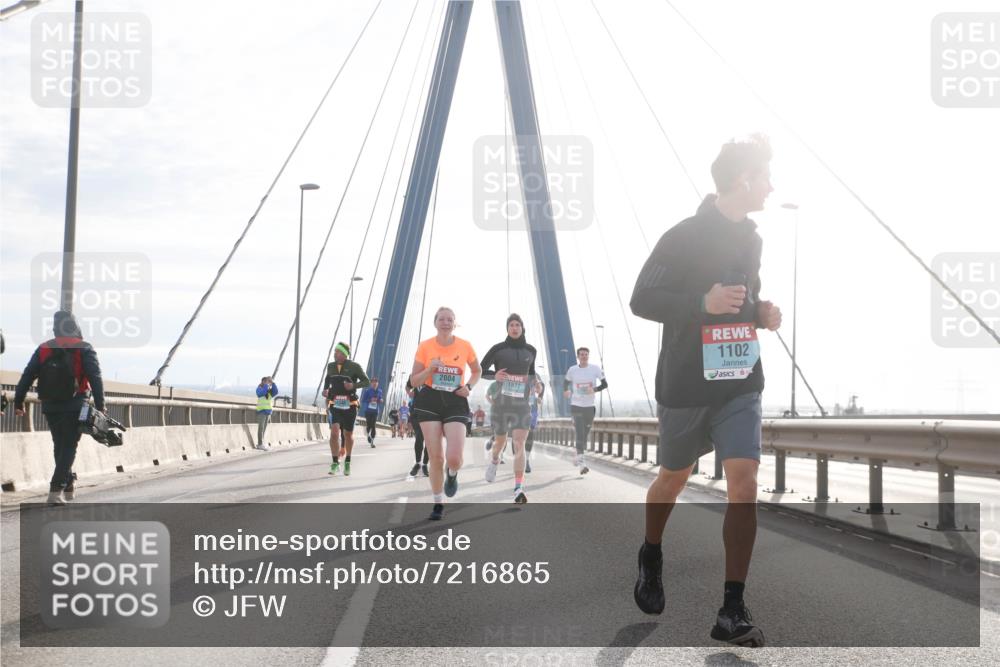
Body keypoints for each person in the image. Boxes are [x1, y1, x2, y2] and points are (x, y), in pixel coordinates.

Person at [628, 134, 780, 647]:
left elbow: (746, 298)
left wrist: (761, 312)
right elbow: (641, 297)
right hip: (686, 382)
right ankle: (651, 551)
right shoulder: (683, 236)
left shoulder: (753, 238)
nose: (771, 186)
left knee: (744, 483)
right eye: (765, 176)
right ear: (742, 180)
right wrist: (702, 301)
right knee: (673, 477)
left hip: (739, 379)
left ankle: (731, 610)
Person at [14, 311, 106, 505]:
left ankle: (69, 483)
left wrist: (19, 401)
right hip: (76, 404)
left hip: (50, 405)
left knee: (60, 445)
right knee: (69, 446)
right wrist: (101, 406)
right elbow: (95, 377)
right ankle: (56, 490)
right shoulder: (84, 347)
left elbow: (28, 375)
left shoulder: (44, 348)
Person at [410, 306, 480, 520]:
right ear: (435, 322)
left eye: (450, 319)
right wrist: (430, 370)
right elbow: (414, 381)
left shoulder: (465, 346)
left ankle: (453, 474)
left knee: (454, 458)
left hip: (455, 400)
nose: (446, 322)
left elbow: (477, 371)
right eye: (441, 319)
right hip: (430, 399)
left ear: (455, 323)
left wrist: (469, 386)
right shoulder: (425, 346)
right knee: (436, 457)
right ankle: (438, 502)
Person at [480, 313, 536, 504]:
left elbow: (532, 374)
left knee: (519, 444)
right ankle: (495, 460)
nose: (514, 328)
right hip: (501, 405)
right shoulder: (498, 349)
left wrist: (537, 384)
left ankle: (518, 487)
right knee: (500, 442)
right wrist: (494, 376)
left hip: (521, 405)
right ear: (507, 329)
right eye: (511, 325)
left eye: (517, 325)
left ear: (522, 328)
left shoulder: (531, 351)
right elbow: (481, 370)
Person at [322, 342, 370, 476]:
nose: (335, 353)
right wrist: (325, 390)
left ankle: (347, 461)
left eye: (337, 351)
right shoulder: (331, 366)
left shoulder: (354, 366)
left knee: (348, 434)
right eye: (335, 351)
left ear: (344, 354)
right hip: (335, 404)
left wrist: (353, 385)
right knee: (334, 433)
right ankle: (335, 463)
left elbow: (366, 381)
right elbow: (327, 379)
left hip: (350, 405)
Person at [563, 347, 607, 474]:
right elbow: (566, 383)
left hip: (589, 406)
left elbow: (605, 384)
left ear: (588, 356)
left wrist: (595, 389)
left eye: (586, 354)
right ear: (578, 356)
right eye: (581, 354)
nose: (584, 356)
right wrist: (566, 390)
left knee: (585, 434)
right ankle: (582, 463)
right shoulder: (572, 370)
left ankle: (578, 453)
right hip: (576, 405)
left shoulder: (595, 369)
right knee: (580, 433)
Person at [405, 381, 429, 478]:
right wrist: (409, 392)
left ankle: (425, 464)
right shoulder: (416, 373)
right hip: (416, 412)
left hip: (430, 412)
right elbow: (408, 386)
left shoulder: (435, 371)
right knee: (419, 437)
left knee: (429, 441)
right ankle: (418, 463)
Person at [524, 379, 545, 473]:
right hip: (521, 416)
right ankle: (519, 459)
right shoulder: (526, 389)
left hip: (532, 420)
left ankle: (526, 460)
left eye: (539, 387)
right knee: (518, 440)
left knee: (529, 440)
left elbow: (541, 388)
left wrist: (539, 398)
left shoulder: (538, 397)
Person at [255, 376, 278, 450]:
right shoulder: (259, 389)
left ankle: (261, 443)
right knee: (261, 427)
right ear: (262, 382)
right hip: (261, 411)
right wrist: (266, 385)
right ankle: (260, 444)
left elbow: (276, 391)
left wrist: (272, 383)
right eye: (266, 381)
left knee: (264, 428)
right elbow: (262, 393)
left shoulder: (269, 391)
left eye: (267, 382)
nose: (267, 383)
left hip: (268, 412)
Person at [360, 377, 383, 447]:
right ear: (371, 383)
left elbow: (380, 399)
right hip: (368, 411)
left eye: (376, 382)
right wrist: (370, 400)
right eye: (373, 382)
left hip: (375, 411)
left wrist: (381, 400)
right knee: (369, 425)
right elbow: (363, 400)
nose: (374, 383)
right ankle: (368, 435)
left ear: (377, 383)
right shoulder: (367, 391)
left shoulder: (380, 391)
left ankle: (372, 441)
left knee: (373, 425)